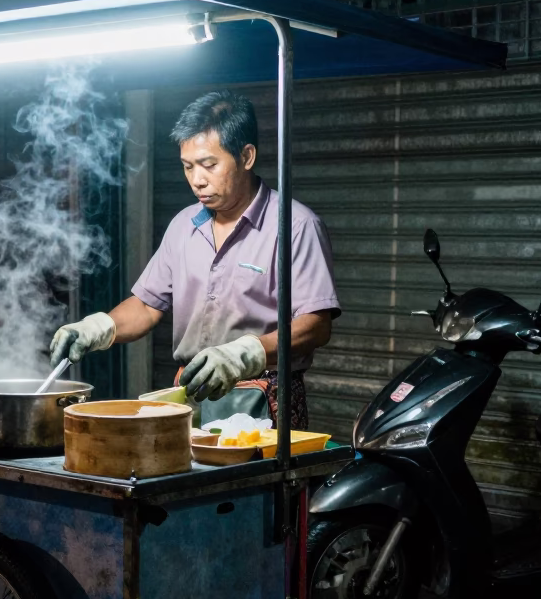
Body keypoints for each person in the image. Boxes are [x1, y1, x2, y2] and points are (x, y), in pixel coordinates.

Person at [50, 89, 340, 429]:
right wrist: (99, 327)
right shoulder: (184, 225)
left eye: (209, 164)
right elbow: (146, 306)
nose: (197, 179)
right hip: (190, 395)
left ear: (246, 156)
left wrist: (243, 354)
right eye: (188, 166)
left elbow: (316, 325)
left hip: (263, 398)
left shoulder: (295, 225)